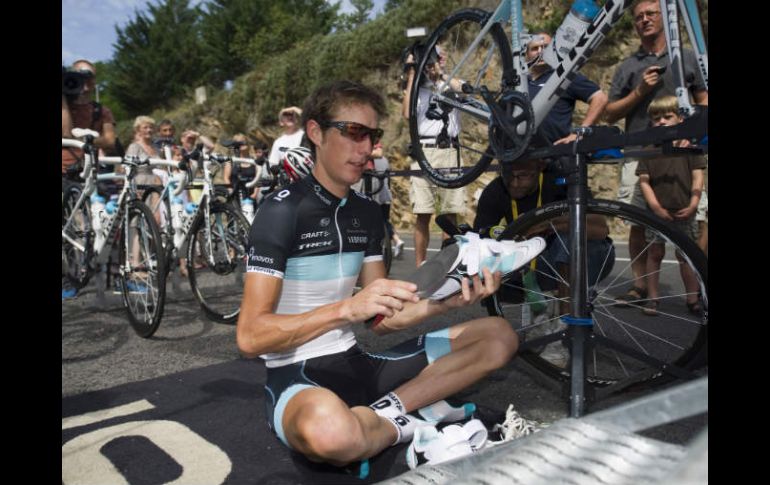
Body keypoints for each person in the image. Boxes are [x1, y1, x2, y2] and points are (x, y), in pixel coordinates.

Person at [237, 80, 528, 472]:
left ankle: (386, 417)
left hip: (359, 364)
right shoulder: (281, 212)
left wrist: (447, 302)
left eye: (372, 136)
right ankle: (416, 431)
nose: (368, 148)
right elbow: (251, 337)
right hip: (297, 377)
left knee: (498, 336)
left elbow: (382, 321)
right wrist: (346, 309)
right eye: (354, 133)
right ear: (316, 133)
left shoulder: (367, 213)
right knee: (330, 433)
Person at [604, 0, 708, 305]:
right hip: (639, 152)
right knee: (638, 221)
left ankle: (698, 284)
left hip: (686, 153)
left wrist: (696, 134)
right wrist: (639, 92)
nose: (644, 20)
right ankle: (640, 286)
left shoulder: (686, 56)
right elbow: (609, 114)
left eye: (651, 14)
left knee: (697, 220)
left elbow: (703, 98)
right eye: (638, 17)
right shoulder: (628, 65)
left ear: (664, 17)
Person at [473, 158, 615, 366]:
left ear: (540, 167)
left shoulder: (559, 182)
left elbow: (600, 229)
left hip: (589, 257)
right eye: (508, 175)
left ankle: (564, 331)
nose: (514, 182)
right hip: (540, 263)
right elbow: (482, 240)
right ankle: (539, 313)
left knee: (567, 241)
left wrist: (549, 223)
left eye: (523, 176)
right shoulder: (496, 191)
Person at [636, 96, 705, 316]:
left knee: (686, 257)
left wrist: (694, 203)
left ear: (680, 118)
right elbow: (644, 181)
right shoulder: (648, 150)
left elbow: (698, 177)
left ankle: (692, 298)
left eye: (668, 116)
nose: (662, 122)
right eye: (657, 118)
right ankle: (653, 297)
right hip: (657, 213)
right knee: (654, 254)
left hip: (685, 210)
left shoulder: (690, 148)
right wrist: (655, 207)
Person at [402, 46, 467, 267]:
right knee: (423, 212)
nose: (431, 64)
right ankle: (421, 265)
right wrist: (413, 72)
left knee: (451, 212)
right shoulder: (416, 89)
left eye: (436, 58)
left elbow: (465, 90)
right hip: (424, 150)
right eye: (428, 60)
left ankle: (446, 263)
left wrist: (441, 74)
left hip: (450, 149)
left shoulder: (451, 84)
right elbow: (405, 113)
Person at [62, 59, 117, 300]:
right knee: (69, 230)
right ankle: (69, 276)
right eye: (77, 76)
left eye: (88, 77)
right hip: (64, 171)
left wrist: (88, 139)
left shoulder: (100, 110)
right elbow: (65, 132)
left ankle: (105, 273)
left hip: (89, 171)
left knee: (95, 225)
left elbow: (110, 141)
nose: (83, 83)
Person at [525, 32, 608, 146]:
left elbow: (600, 98)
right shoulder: (520, 83)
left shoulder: (563, 76)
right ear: (527, 54)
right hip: (525, 158)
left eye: (546, 47)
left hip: (556, 155)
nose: (541, 51)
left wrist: (579, 133)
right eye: (535, 48)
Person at [351, 142, 406, 258]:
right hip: (382, 193)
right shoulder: (384, 161)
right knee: (381, 220)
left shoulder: (373, 151)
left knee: (369, 217)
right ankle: (396, 240)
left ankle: (374, 246)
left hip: (373, 186)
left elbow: (379, 153)